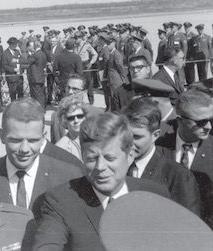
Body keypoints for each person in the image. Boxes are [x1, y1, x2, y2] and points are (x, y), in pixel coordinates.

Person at [31, 112, 170, 250]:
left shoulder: (156, 195)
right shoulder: (59, 200)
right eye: (91, 158)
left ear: (130, 156)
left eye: (110, 158)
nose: (100, 167)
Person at [0, 98, 83, 217]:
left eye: (33, 140)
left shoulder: (69, 177)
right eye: (16, 140)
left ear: (44, 137)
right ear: (2, 136)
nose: (24, 149)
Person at [122, 98, 200, 215]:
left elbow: (189, 227)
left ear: (155, 135)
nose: (128, 143)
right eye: (124, 135)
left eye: (136, 137)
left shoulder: (178, 175)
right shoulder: (114, 165)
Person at [156, 89, 213, 228]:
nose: (208, 126)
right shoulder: (158, 143)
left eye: (211, 120)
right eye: (201, 122)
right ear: (180, 121)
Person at [50, 74, 103, 144]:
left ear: (83, 91)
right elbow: (54, 144)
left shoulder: (97, 114)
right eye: (68, 88)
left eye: (75, 89)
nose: (70, 92)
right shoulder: (56, 117)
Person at [55, 96, 87, 162]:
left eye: (80, 116)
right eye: (71, 118)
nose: (76, 121)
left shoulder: (95, 137)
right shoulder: (61, 148)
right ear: (64, 121)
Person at [103, 35, 128, 107]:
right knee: (112, 97)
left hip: (116, 80)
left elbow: (120, 67)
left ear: (113, 43)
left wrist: (124, 79)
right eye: (107, 44)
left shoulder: (116, 54)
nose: (107, 46)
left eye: (109, 44)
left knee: (116, 97)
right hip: (112, 79)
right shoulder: (111, 54)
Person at [74, 31, 98, 105]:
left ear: (81, 38)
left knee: (89, 84)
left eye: (76, 38)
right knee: (79, 84)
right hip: (78, 66)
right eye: (75, 38)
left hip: (86, 65)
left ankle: (91, 102)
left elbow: (95, 54)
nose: (75, 39)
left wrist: (91, 62)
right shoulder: (75, 46)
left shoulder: (87, 45)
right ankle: (79, 101)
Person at [27, 40, 47, 109]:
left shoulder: (36, 54)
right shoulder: (43, 53)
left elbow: (28, 61)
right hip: (40, 77)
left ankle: (40, 109)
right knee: (41, 94)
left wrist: (30, 54)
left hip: (35, 78)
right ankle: (43, 108)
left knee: (37, 95)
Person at [2, 37, 24, 101]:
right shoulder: (5, 53)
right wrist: (13, 69)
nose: (16, 46)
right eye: (15, 44)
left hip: (19, 77)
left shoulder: (17, 52)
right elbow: (4, 65)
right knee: (13, 94)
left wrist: (21, 70)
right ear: (10, 45)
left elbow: (21, 61)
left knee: (21, 94)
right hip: (11, 77)